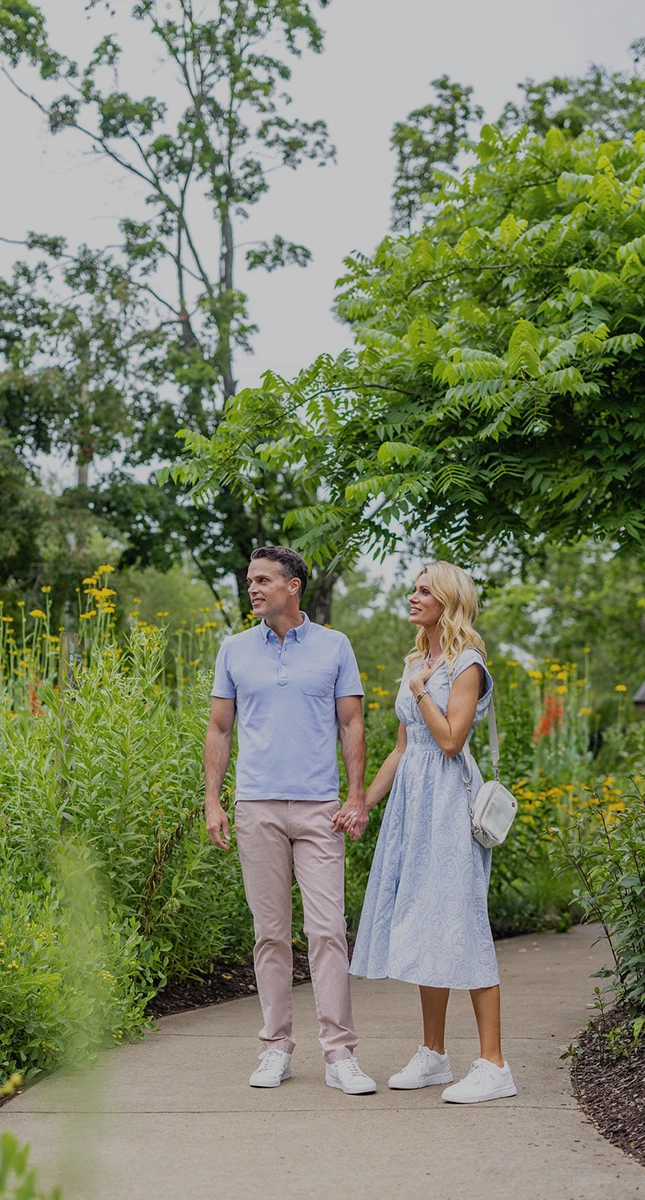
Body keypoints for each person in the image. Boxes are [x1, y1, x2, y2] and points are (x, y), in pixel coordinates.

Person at [204, 546, 376, 1094]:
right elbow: (219, 730)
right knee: (269, 934)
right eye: (249, 581)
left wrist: (356, 797)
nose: (252, 589)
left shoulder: (334, 646)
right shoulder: (233, 649)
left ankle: (340, 1054)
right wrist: (212, 801)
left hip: (322, 809)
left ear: (293, 585)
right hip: (256, 806)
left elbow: (351, 723)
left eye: (262, 580)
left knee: (327, 931)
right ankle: (275, 1047)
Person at [343, 561, 517, 1104]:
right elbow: (402, 749)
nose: (413, 596)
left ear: (449, 600)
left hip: (448, 805)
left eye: (424, 590)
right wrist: (361, 803)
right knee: (422, 922)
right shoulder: (418, 660)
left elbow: (448, 741)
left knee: (461, 922)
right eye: (413, 587)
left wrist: (420, 691)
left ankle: (494, 1064)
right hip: (412, 809)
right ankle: (434, 1053)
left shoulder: (467, 663)